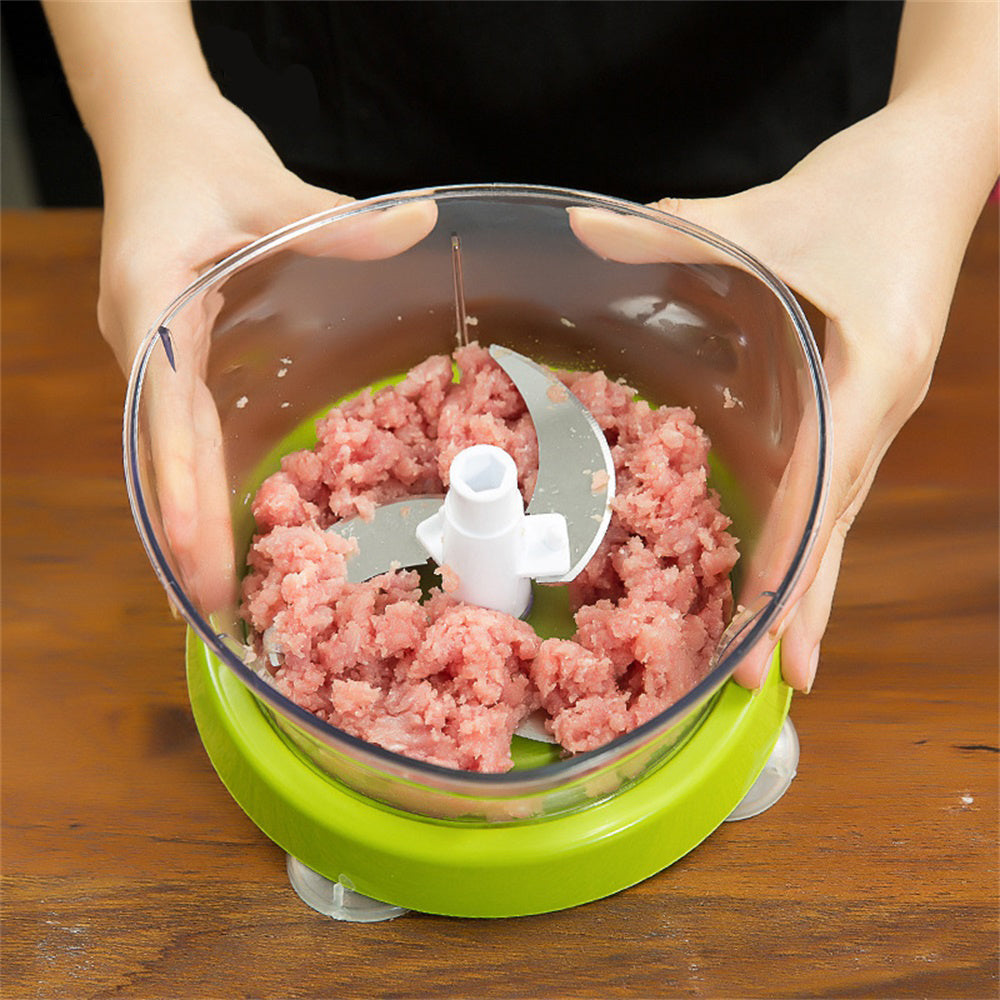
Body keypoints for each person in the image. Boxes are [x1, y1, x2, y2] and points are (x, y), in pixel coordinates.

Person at [42, 0, 999, 695]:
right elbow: (157, 110)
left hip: (777, 149)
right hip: (289, 128)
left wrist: (944, 127)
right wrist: (152, 105)